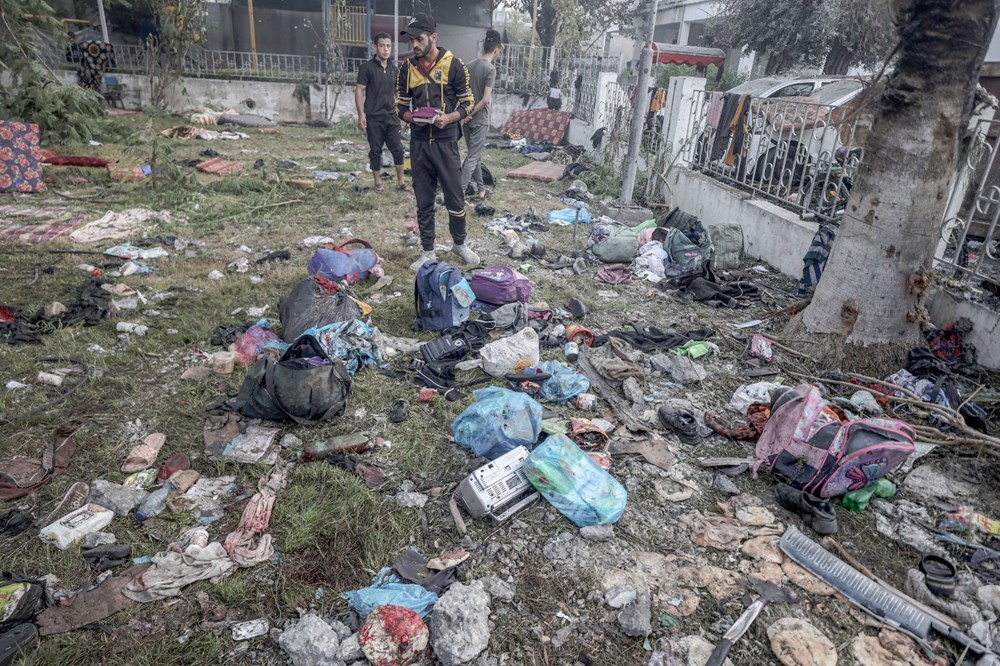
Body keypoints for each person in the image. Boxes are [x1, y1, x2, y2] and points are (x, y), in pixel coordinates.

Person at [395, 13, 480, 270]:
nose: (415, 45)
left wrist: (450, 118)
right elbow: (399, 104)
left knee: (455, 197)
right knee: (424, 200)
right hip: (419, 143)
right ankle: (428, 251)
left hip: (446, 142)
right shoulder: (407, 68)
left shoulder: (455, 65)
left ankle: (460, 244)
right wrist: (411, 118)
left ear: (433, 37)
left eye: (419, 39)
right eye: (411, 40)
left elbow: (468, 102)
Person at [355, 32, 407, 193]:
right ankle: (378, 183)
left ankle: (401, 182)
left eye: (388, 46)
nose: (386, 49)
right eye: (382, 45)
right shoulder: (366, 68)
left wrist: (403, 114)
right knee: (375, 151)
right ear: (375, 47)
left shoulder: (394, 68)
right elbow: (359, 91)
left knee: (398, 149)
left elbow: (399, 93)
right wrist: (361, 115)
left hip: (392, 116)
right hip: (373, 118)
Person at [460, 30, 500, 199]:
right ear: (496, 50)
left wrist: (465, 114)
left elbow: (463, 93)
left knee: (474, 156)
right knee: (472, 158)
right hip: (479, 119)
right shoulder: (490, 69)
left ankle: (481, 190)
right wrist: (470, 114)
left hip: (467, 120)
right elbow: (485, 100)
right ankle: (458, 194)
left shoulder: (469, 65)